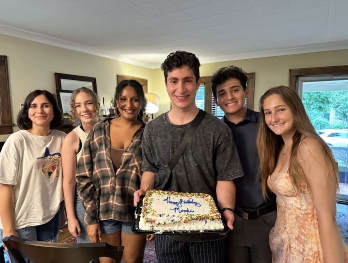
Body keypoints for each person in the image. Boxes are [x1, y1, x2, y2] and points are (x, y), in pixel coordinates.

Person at [134, 51, 244, 263]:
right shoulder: (152, 129)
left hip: (207, 228)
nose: (181, 89)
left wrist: (227, 209)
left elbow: (225, 177)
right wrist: (144, 194)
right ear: (166, 83)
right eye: (174, 81)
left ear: (197, 83)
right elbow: (150, 170)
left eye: (187, 81)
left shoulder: (218, 130)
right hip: (166, 228)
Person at [256, 85, 348, 263]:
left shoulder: (309, 146)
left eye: (280, 110)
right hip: (285, 243)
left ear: (295, 110)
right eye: (268, 113)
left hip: (311, 245)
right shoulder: (281, 147)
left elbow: (326, 217)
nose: (273, 118)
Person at [76, 80, 147, 263]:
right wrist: (91, 219)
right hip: (105, 212)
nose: (129, 105)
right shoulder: (99, 130)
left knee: (132, 261)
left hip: (135, 213)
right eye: (123, 99)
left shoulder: (148, 134)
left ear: (142, 102)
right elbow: (84, 176)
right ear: (116, 101)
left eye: (135, 100)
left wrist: (151, 218)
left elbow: (156, 174)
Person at [211, 66, 276, 263]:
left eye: (235, 89)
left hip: (267, 217)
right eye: (222, 93)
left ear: (246, 91)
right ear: (216, 100)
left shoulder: (267, 124)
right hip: (231, 219)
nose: (229, 97)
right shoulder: (213, 131)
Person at [0, 90, 65, 263]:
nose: (40, 111)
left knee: (48, 260)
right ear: (27, 111)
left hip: (50, 214)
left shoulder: (62, 138)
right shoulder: (17, 140)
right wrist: (8, 229)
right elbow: (4, 186)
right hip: (22, 217)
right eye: (33, 106)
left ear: (53, 110)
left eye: (45, 105)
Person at [61, 88, 100, 253]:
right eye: (78, 105)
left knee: (113, 252)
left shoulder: (109, 130)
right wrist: (70, 217)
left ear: (97, 105)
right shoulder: (72, 138)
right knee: (90, 254)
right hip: (83, 203)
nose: (84, 109)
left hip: (108, 201)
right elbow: (69, 181)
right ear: (74, 110)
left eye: (88, 103)